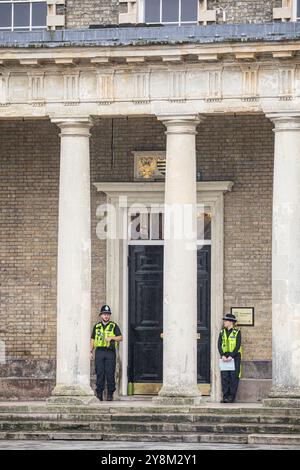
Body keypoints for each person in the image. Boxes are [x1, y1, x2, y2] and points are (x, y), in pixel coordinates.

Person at [90, 304, 123, 401]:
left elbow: (120, 338)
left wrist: (112, 337)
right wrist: (90, 351)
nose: (106, 316)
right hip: (99, 351)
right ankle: (99, 394)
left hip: (110, 352)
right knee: (100, 373)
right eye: (104, 314)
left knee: (110, 373)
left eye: (108, 314)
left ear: (110, 315)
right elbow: (92, 339)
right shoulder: (97, 327)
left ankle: (110, 394)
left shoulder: (113, 326)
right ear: (101, 315)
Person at [218, 313, 242, 403]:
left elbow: (238, 345)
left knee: (233, 377)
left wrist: (231, 356)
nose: (224, 322)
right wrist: (223, 355)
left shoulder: (237, 332)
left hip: (235, 357)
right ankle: (225, 396)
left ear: (231, 322)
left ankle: (231, 397)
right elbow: (219, 344)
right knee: (224, 377)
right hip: (224, 357)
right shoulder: (222, 332)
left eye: (226, 320)